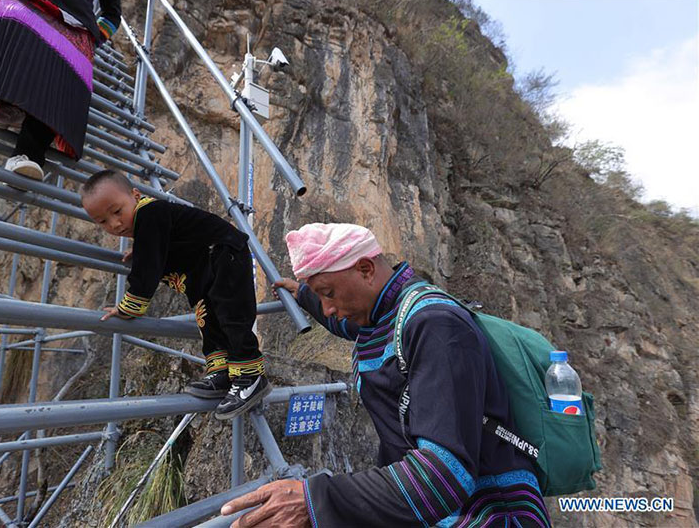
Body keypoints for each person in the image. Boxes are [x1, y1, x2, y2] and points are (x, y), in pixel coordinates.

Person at [220, 223, 550, 527]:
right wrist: (305, 295)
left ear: (365, 269)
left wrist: (314, 501)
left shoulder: (436, 326)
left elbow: (445, 477)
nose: (329, 308)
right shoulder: (383, 315)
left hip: (489, 511)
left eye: (328, 292)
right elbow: (345, 323)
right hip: (438, 510)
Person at [80, 170, 270, 420]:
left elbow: (147, 267)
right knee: (207, 319)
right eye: (102, 221)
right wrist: (140, 249)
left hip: (225, 253)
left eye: (117, 211)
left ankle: (250, 375)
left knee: (231, 314)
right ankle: (222, 371)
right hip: (207, 265)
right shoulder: (148, 224)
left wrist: (128, 307)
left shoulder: (150, 213)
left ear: (136, 196)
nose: (114, 224)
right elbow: (156, 248)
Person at [0, 0, 122, 180]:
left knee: (67, 64)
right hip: (23, 5)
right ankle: (4, 105)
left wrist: (91, 37)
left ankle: (26, 148)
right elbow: (112, 15)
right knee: (16, 23)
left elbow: (112, 15)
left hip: (74, 23)